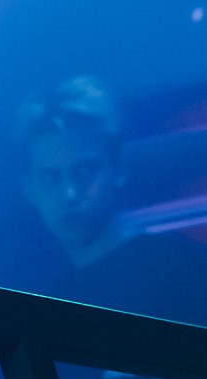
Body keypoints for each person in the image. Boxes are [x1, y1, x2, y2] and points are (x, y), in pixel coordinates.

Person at [14, 75, 205, 323]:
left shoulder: (176, 265)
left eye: (85, 171)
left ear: (117, 169)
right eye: (51, 177)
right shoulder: (47, 302)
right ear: (29, 189)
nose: (69, 193)